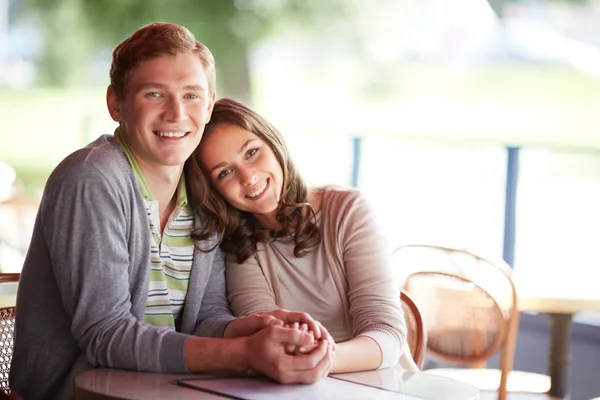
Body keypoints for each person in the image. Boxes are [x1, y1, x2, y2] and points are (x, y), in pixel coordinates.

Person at [9, 23, 334, 400]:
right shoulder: (92, 179)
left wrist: (254, 329)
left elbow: (205, 315)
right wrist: (243, 354)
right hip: (79, 392)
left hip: (168, 389)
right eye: (155, 94)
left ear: (210, 104)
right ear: (116, 104)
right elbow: (105, 334)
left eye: (192, 95)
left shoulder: (202, 191)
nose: (176, 113)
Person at [186, 98, 419, 374]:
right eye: (225, 172)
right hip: (297, 388)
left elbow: (387, 335)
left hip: (383, 387)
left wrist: (319, 360)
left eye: (251, 152)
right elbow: (266, 333)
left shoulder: (348, 210)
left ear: (273, 144)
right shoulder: (238, 243)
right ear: (215, 191)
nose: (248, 177)